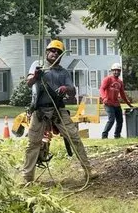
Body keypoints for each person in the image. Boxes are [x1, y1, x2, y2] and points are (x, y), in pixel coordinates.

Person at [22, 39, 97, 184]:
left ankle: (88, 170)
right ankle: (27, 178)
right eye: (52, 51)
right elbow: (29, 82)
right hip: (40, 110)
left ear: (61, 55)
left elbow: (72, 90)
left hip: (58, 109)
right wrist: (36, 76)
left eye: (58, 52)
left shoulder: (63, 72)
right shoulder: (38, 66)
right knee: (33, 143)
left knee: (74, 138)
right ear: (47, 52)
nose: (54, 53)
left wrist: (65, 89)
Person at [99, 63, 133, 139]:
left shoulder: (120, 82)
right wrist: (104, 98)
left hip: (116, 104)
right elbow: (101, 89)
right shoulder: (108, 79)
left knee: (120, 120)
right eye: (114, 70)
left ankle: (117, 135)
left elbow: (122, 94)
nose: (116, 72)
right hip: (108, 103)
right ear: (112, 71)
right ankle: (104, 135)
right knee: (111, 119)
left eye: (118, 71)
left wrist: (129, 104)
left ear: (120, 72)